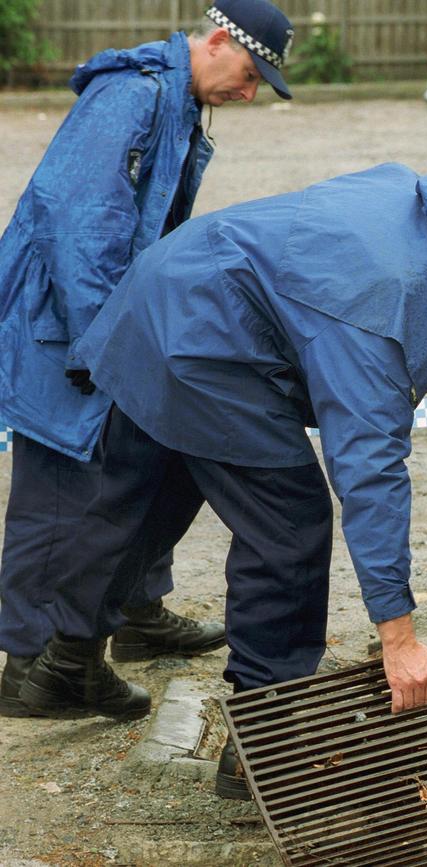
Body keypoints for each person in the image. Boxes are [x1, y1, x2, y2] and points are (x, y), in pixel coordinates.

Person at [17, 164, 427, 800]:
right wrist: (397, 638)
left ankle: (64, 665)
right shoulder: (392, 302)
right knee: (290, 521)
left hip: (161, 296)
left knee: (142, 498)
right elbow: (369, 470)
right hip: (207, 342)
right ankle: (260, 737)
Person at [0, 0, 295, 718]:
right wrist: (96, 338)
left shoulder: (173, 100)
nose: (249, 93)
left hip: (97, 316)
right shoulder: (133, 93)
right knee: (61, 481)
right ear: (219, 41)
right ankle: (27, 669)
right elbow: (79, 222)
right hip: (64, 320)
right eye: (251, 75)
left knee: (145, 456)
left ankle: (130, 611)